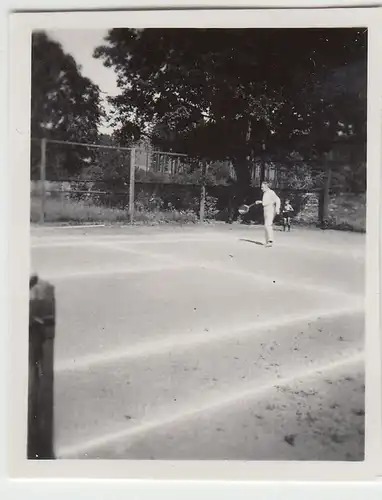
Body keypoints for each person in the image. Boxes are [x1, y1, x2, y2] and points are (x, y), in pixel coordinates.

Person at [255, 182, 281, 247]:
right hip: (266, 209)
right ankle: (267, 241)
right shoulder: (265, 193)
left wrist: (278, 209)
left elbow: (277, 200)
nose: (261, 188)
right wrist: (260, 202)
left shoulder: (271, 192)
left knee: (268, 225)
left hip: (271, 209)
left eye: (262, 187)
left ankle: (270, 241)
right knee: (266, 225)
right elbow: (266, 202)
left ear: (266, 187)